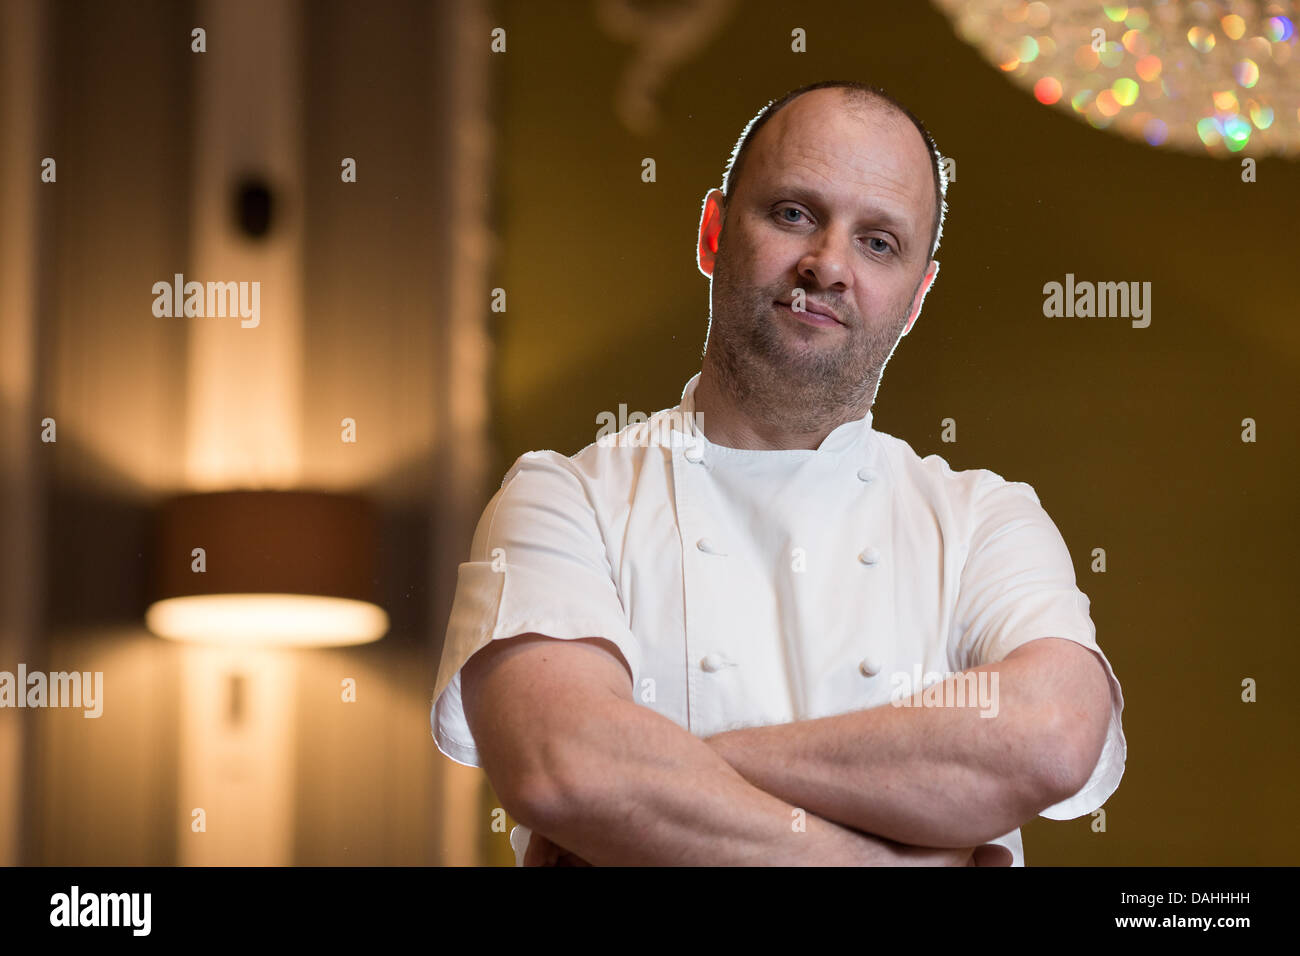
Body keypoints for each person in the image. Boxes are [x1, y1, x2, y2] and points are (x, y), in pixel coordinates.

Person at [430, 80, 1126, 866]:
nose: (827, 265)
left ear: (916, 299)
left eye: (879, 242)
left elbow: (1053, 737)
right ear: (713, 232)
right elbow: (564, 771)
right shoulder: (565, 500)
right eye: (794, 214)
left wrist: (655, 771)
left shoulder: (983, 521)